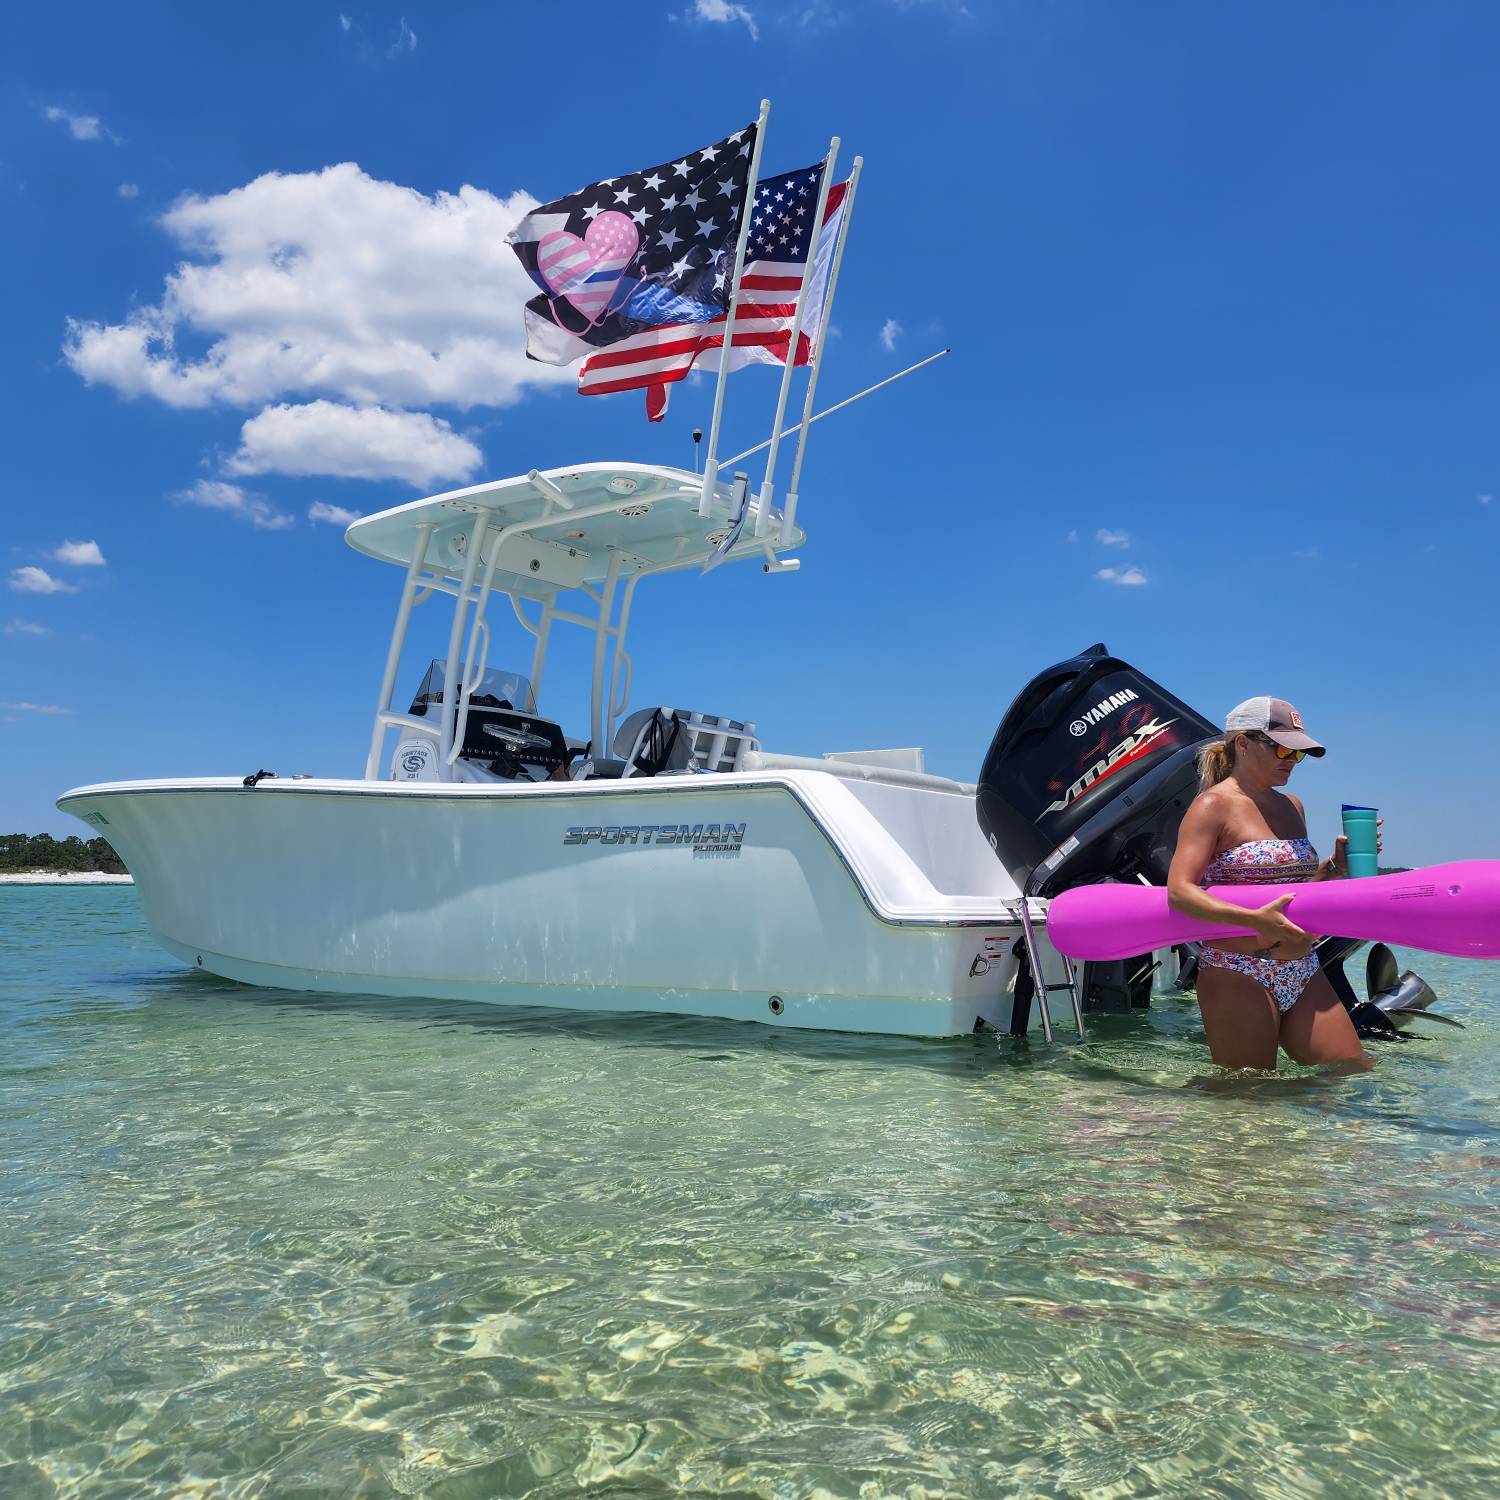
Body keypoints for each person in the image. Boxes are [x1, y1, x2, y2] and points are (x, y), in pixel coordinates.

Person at [1166, 697, 1375, 1071]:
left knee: (1351, 1072)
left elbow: (1295, 893)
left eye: (1298, 754)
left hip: (1302, 967)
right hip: (1237, 969)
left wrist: (1331, 868)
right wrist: (1254, 920)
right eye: (1282, 748)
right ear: (1242, 744)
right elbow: (1180, 892)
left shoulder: (1292, 806)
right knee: (1249, 1096)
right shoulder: (1213, 805)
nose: (1291, 761)